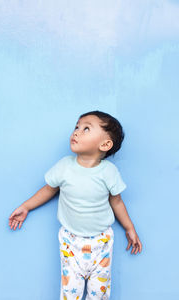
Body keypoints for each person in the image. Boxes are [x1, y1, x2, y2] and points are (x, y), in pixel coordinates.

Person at [9, 110, 142, 300]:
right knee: (70, 293)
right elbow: (48, 190)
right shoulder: (64, 166)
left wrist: (130, 228)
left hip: (101, 242)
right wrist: (26, 206)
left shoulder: (109, 172)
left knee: (99, 293)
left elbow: (117, 202)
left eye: (86, 128)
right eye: (77, 127)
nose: (76, 132)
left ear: (105, 144)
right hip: (71, 242)